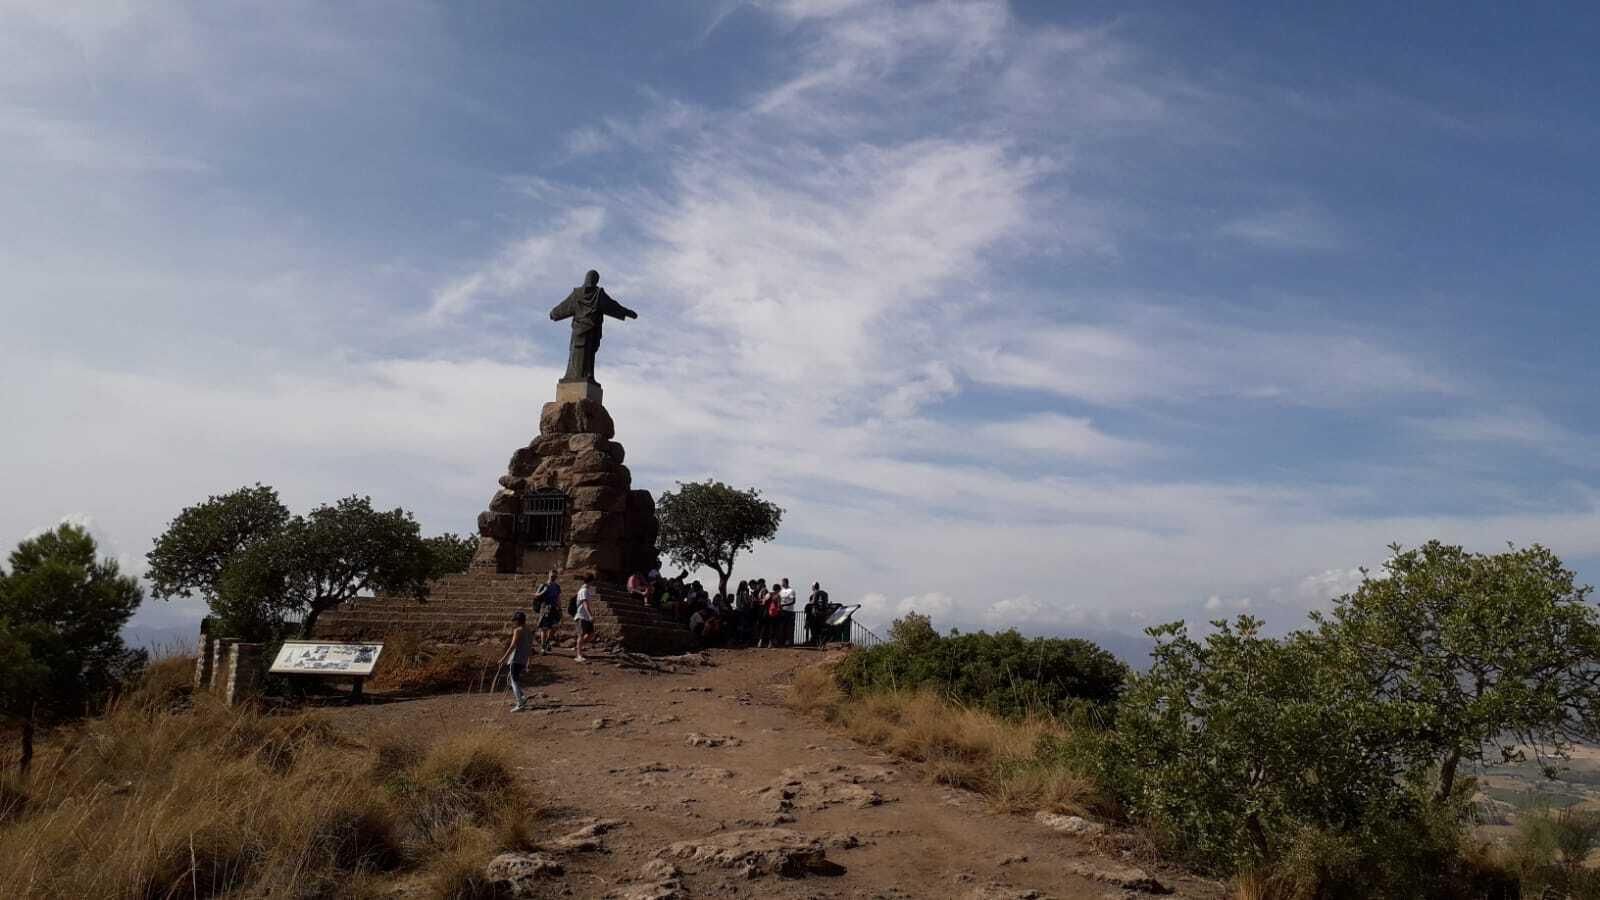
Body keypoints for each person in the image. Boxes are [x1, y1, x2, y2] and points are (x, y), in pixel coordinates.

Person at [499, 611, 533, 712]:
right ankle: (522, 697)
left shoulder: (518, 630)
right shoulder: (529, 631)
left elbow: (512, 646)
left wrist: (503, 658)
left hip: (515, 659)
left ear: (518, 621)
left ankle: (520, 703)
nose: (514, 623)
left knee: (513, 681)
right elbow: (530, 647)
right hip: (523, 659)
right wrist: (529, 661)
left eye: (514, 621)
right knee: (513, 679)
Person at [534, 569, 562, 653]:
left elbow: (558, 598)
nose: (553, 577)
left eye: (555, 576)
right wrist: (543, 591)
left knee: (555, 627)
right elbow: (535, 595)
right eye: (552, 576)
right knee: (544, 628)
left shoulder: (557, 587)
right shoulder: (543, 585)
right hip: (545, 608)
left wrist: (560, 609)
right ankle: (543, 647)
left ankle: (547, 642)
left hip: (554, 609)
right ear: (549, 575)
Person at [573, 574, 596, 662]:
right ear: (591, 581)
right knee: (581, 635)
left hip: (586, 617)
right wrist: (590, 615)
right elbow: (585, 604)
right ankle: (578, 655)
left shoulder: (587, 590)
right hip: (582, 616)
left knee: (591, 634)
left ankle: (579, 648)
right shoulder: (583, 590)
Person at [806, 582, 831, 646]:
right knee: (822, 628)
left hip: (816, 614)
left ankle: (816, 642)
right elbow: (826, 602)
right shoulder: (825, 593)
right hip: (824, 613)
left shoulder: (815, 593)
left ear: (813, 587)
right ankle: (821, 642)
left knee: (815, 629)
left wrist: (808, 605)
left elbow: (813, 602)